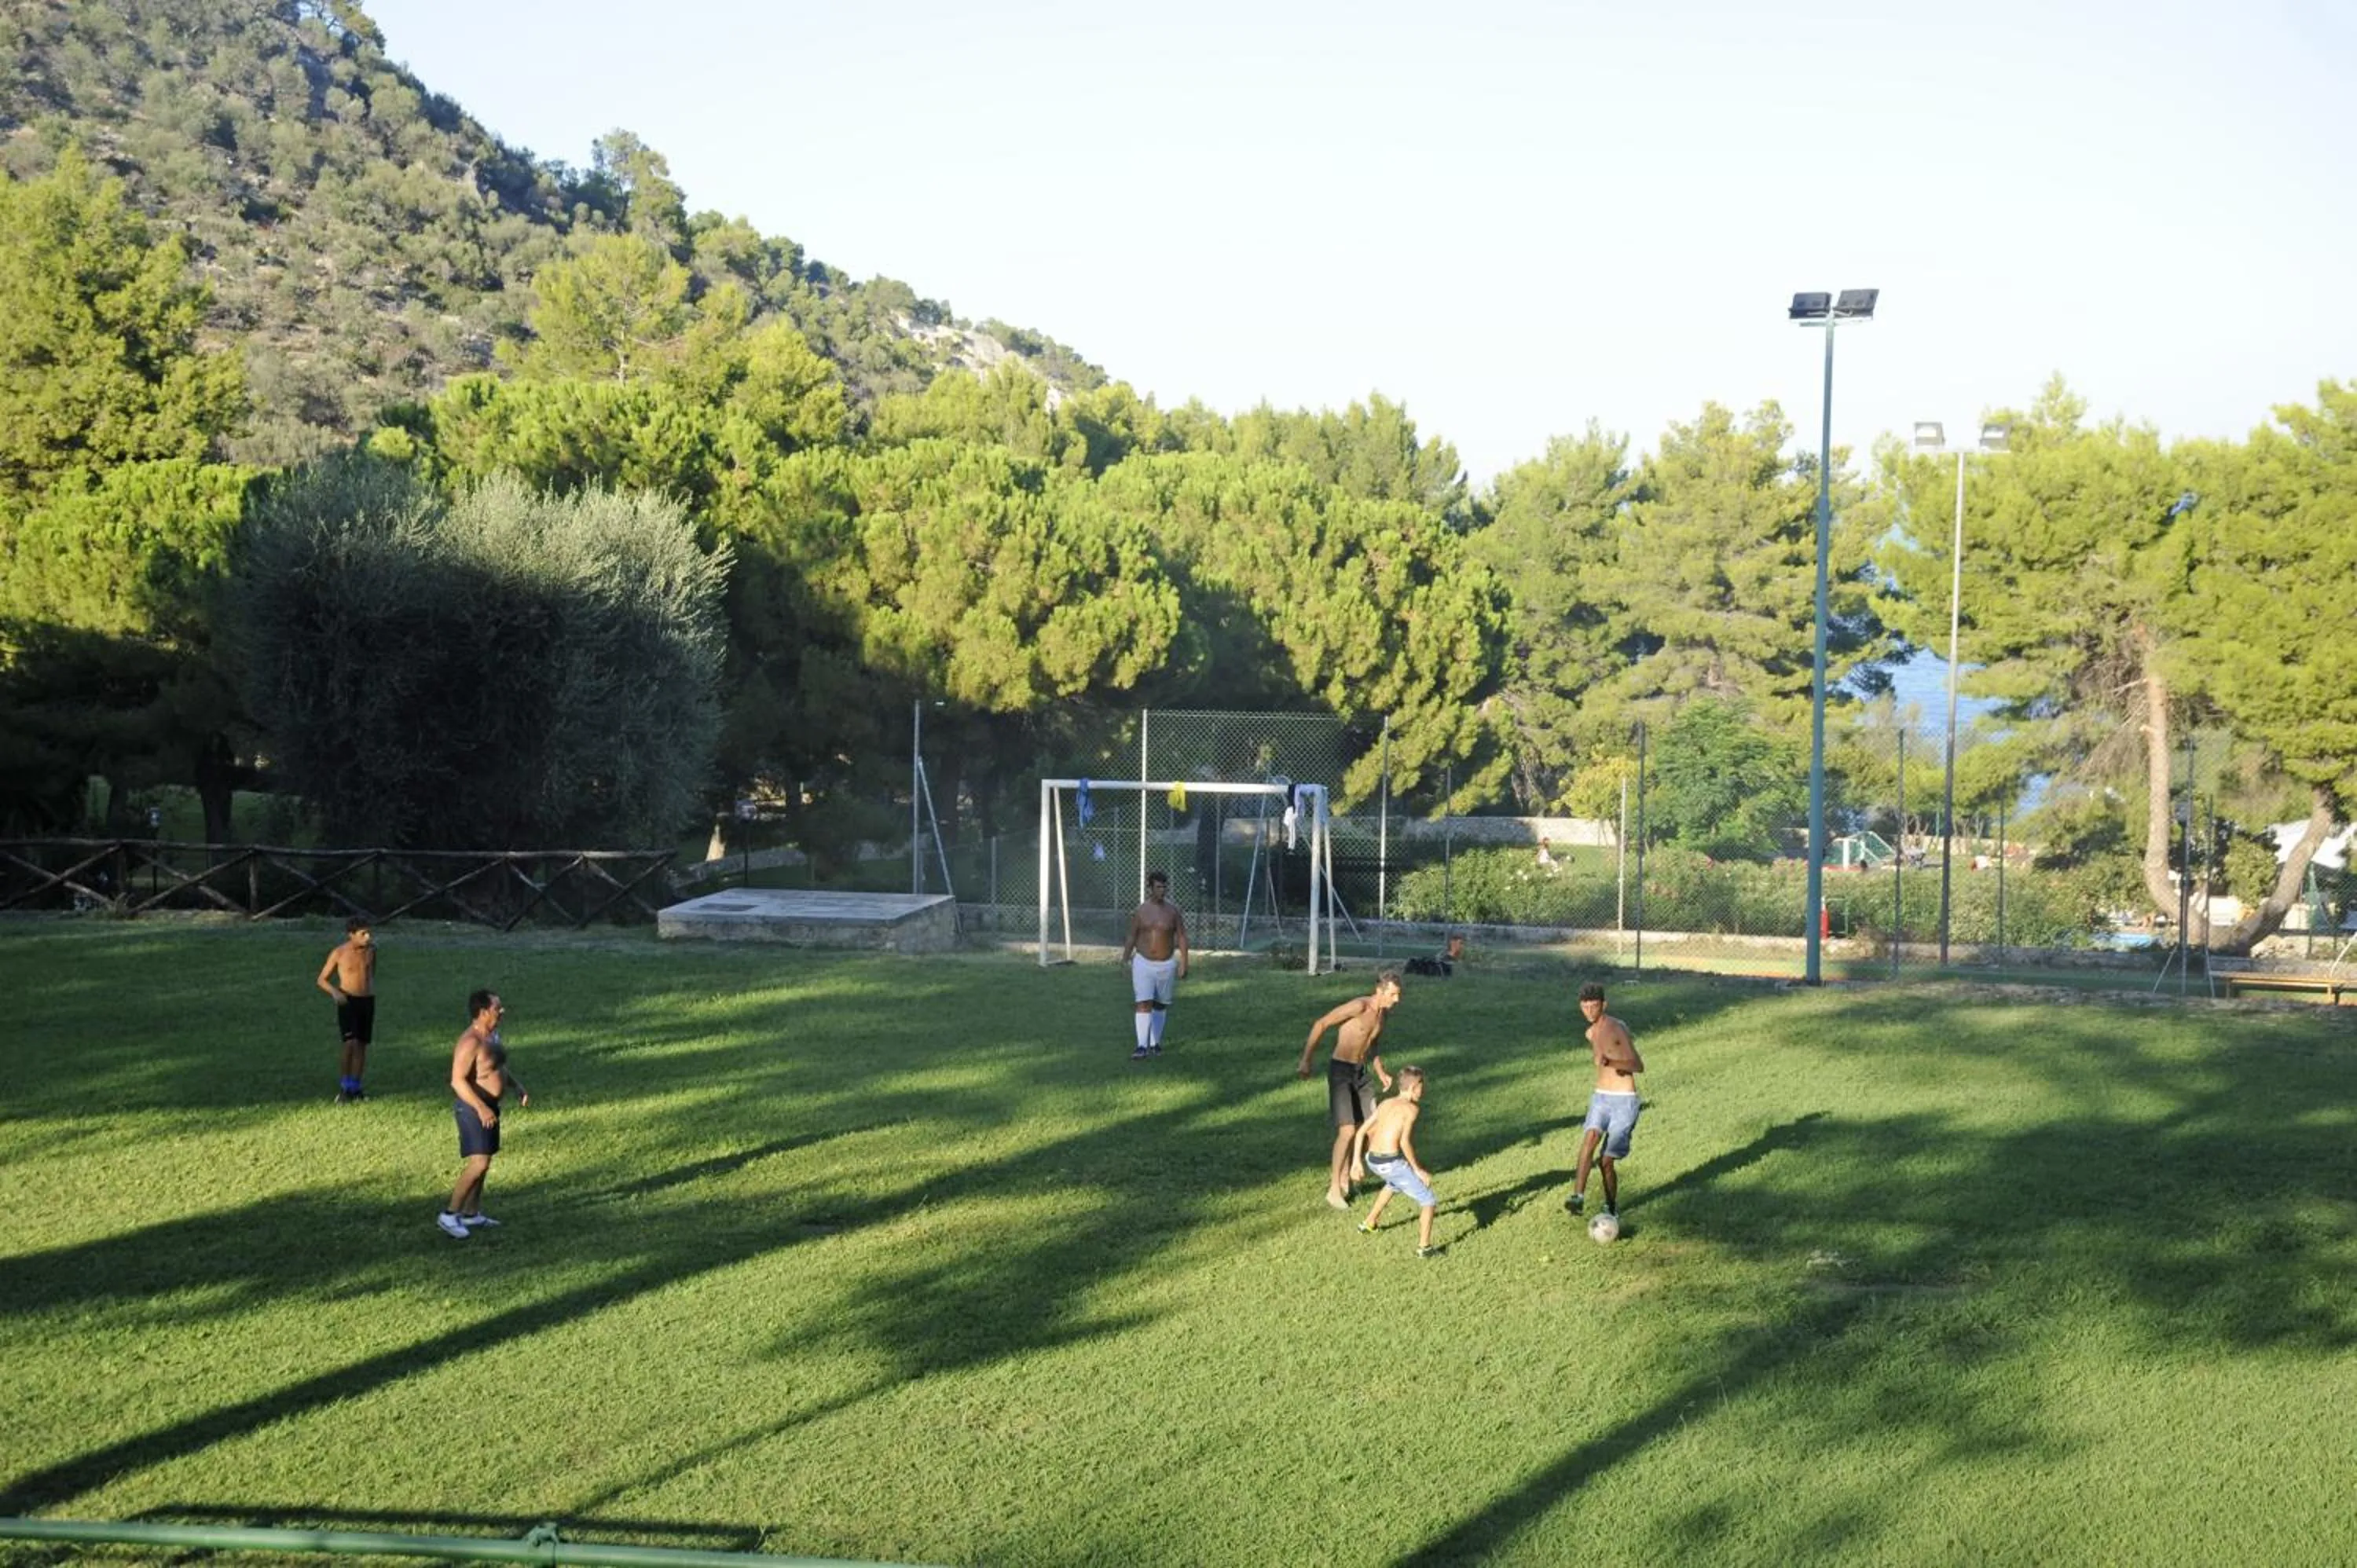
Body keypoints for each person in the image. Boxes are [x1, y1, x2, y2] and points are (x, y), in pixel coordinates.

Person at [1297, 970, 1401, 1209]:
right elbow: (1321, 1023)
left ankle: (1346, 1177)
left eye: (1398, 995)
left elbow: (1372, 1045)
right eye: (1394, 995)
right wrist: (1306, 1060)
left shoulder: (1382, 1015)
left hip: (1361, 1073)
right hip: (1341, 1071)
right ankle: (1334, 1189)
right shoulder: (1359, 1007)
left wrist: (1381, 1072)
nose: (1397, 1000)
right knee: (1347, 1131)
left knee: (1370, 1127)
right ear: (1381, 991)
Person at [439, 988, 528, 1239]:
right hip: (473, 1108)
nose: (502, 1012)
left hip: (489, 1107)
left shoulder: (492, 1036)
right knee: (479, 1163)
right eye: (497, 1008)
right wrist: (481, 1107)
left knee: (485, 1161)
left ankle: (471, 1213)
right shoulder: (470, 1042)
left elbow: (496, 1067)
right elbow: (457, 1081)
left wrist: (516, 1085)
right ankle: (449, 1214)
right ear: (482, 1012)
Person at [1565, 981, 1644, 1219]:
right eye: (1585, 1007)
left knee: (1606, 1161)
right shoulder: (1590, 1032)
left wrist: (1609, 1063)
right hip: (1601, 1097)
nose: (1589, 1011)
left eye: (1594, 1006)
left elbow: (1637, 1065)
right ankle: (1577, 1197)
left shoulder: (1616, 1028)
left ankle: (1611, 1206)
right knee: (1589, 1138)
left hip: (1624, 1101)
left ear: (1604, 1005)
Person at [1353, 1066, 1440, 1256]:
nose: (1423, 1091)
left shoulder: (1386, 1103)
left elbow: (1361, 1132)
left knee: (1394, 1184)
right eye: (1421, 1087)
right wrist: (1418, 1170)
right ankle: (1425, 1248)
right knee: (1429, 1200)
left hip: (1371, 1159)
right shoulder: (1411, 1109)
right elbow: (1404, 1142)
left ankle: (1369, 1223)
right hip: (1390, 1162)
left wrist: (1356, 1163)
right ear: (1413, 1087)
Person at [1120, 870, 1189, 1060]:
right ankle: (1141, 1046)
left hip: (1166, 964)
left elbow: (1182, 936)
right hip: (1143, 962)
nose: (1162, 890)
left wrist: (1184, 962)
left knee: (1160, 1005)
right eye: (1158, 887)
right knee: (1143, 1003)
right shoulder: (1141, 911)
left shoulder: (1173, 911)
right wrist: (1125, 960)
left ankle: (1155, 1043)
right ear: (1150, 888)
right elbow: (1132, 936)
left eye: (1165, 887)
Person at [315, 918, 376, 1102]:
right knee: (350, 1043)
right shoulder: (339, 953)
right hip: (348, 1000)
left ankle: (356, 1088)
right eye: (363, 934)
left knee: (361, 1045)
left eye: (368, 933)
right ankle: (344, 1087)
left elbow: (371, 973)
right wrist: (336, 993)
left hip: (367, 1001)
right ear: (351, 935)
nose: (368, 937)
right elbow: (321, 980)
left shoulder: (372, 951)